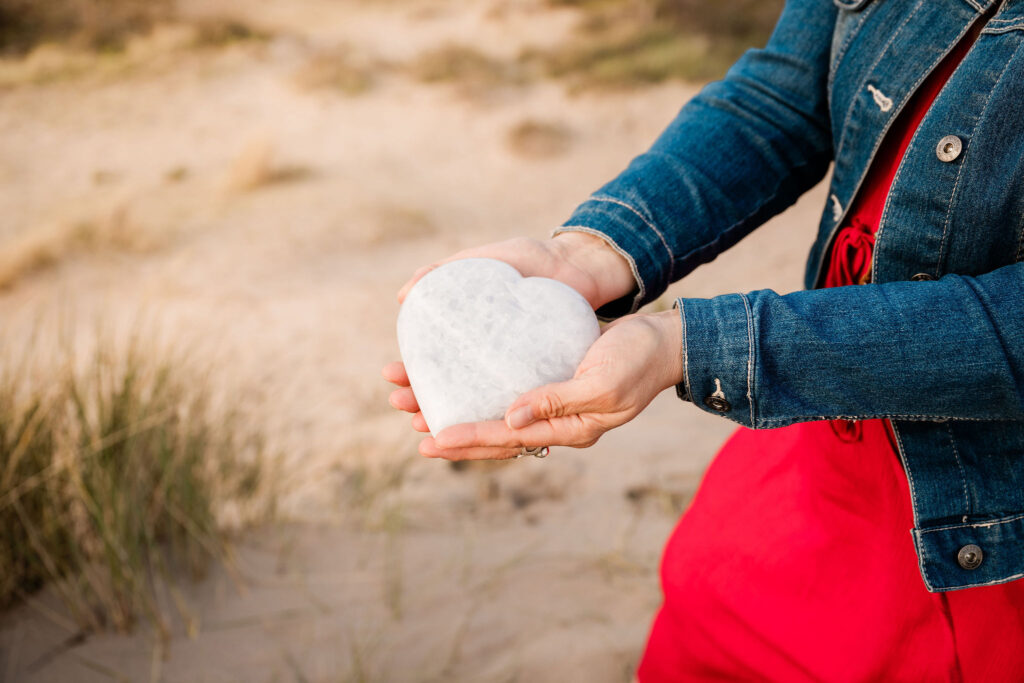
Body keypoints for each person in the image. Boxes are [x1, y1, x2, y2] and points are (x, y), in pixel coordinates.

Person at [384, 0, 1024, 678]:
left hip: (987, 526)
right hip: (828, 428)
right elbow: (777, 100)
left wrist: (695, 346)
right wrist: (594, 252)